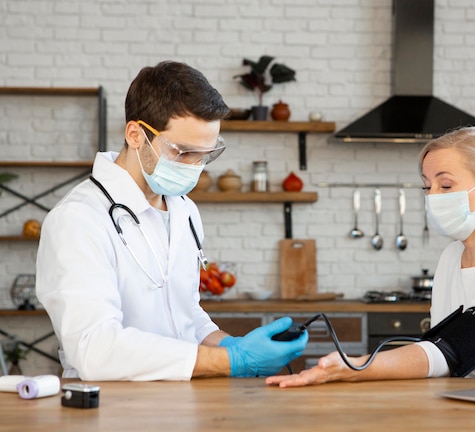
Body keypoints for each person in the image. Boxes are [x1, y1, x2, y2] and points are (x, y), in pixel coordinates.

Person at [36, 61, 308, 381]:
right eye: (183, 152)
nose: (195, 166)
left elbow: (185, 314)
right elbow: (95, 348)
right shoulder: (78, 221)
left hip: (181, 400)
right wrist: (230, 361)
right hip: (110, 407)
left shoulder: (184, 210)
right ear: (136, 135)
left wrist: (229, 344)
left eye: (206, 154)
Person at [267, 126, 475, 388]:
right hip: (470, 403)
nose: (432, 197)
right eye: (426, 186)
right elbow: (439, 349)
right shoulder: (451, 256)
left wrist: (355, 367)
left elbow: (459, 347)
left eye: (445, 186)